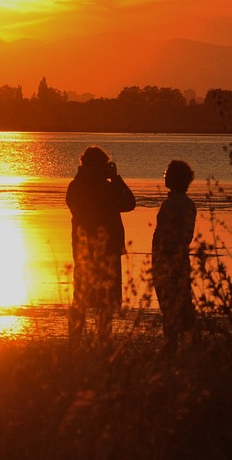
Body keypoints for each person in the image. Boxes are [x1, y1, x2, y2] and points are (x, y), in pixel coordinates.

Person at [66, 145, 136, 341]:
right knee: (93, 301)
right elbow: (129, 202)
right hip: (100, 252)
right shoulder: (101, 188)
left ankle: (79, 341)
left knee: (84, 299)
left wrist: (113, 179)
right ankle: (96, 341)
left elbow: (130, 203)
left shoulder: (77, 186)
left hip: (88, 251)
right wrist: (115, 179)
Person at [152, 159, 197, 350]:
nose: (165, 177)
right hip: (180, 259)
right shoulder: (188, 204)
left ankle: (173, 345)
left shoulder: (171, 205)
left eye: (167, 174)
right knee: (183, 302)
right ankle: (188, 344)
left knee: (170, 305)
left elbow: (165, 235)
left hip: (168, 259)